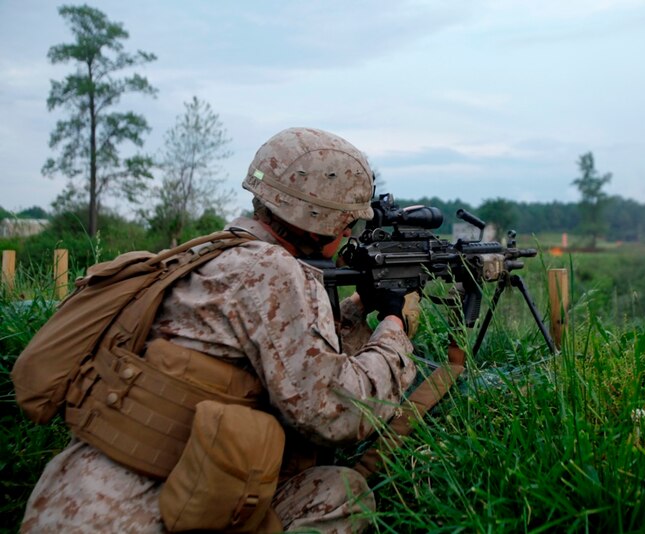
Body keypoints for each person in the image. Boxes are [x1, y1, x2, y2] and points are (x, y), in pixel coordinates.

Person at [21, 127, 419, 533]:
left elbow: (276, 350)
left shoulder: (208, 252)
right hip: (140, 514)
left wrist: (356, 310)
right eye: (350, 223)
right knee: (343, 494)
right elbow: (335, 414)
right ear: (325, 222)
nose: (351, 233)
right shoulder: (275, 272)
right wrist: (393, 326)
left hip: (73, 498)